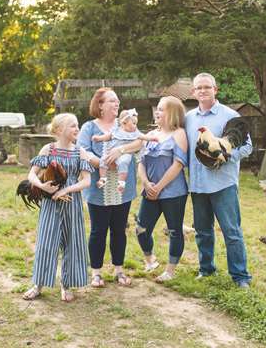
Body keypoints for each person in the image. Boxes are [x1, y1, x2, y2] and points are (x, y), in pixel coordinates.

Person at [185, 73, 253, 289]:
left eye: (207, 87)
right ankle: (206, 269)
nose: (203, 90)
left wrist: (226, 155)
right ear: (193, 92)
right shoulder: (189, 118)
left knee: (231, 231)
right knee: (203, 231)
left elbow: (247, 146)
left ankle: (240, 276)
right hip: (197, 184)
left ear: (215, 89)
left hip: (223, 183)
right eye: (199, 88)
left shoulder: (229, 115)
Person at [23, 113, 93, 303]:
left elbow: (87, 181)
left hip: (72, 202)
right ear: (60, 130)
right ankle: (38, 285)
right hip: (50, 203)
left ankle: (66, 285)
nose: (77, 129)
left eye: (77, 125)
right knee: (46, 242)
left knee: (72, 242)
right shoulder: (49, 149)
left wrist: (67, 189)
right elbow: (32, 174)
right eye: (73, 126)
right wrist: (42, 186)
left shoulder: (80, 152)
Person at [77, 88, 142, 287]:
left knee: (119, 230)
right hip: (99, 188)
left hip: (123, 187)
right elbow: (82, 152)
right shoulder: (89, 127)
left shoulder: (126, 125)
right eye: (112, 101)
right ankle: (96, 272)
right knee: (98, 230)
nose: (117, 104)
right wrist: (102, 163)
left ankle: (118, 270)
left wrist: (122, 151)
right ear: (100, 105)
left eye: (117, 101)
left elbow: (139, 142)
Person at [135, 96, 188, 281]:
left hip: (173, 192)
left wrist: (159, 187)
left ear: (172, 113)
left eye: (161, 109)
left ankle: (170, 271)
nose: (156, 113)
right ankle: (150, 260)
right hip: (150, 190)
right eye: (157, 109)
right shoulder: (150, 135)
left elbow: (178, 165)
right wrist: (146, 183)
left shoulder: (179, 134)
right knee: (141, 229)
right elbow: (140, 161)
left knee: (174, 231)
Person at [92, 108, 158, 192]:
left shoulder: (134, 133)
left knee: (123, 162)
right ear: (124, 123)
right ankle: (103, 178)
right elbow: (106, 137)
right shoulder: (115, 131)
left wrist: (152, 138)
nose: (136, 126)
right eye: (134, 123)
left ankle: (121, 182)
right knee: (103, 160)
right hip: (112, 152)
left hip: (125, 154)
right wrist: (98, 138)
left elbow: (143, 137)